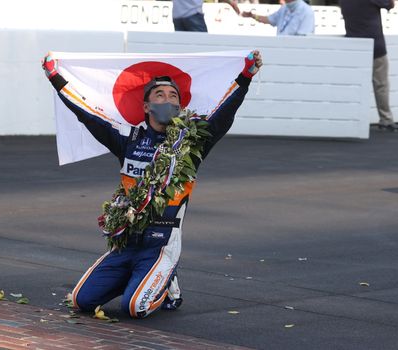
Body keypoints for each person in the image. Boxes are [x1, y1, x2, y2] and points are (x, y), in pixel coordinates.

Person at [42, 51, 263, 318]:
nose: (168, 100)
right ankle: (141, 278)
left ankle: (168, 285)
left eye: (173, 97)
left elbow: (224, 113)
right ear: (146, 106)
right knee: (81, 301)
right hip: (126, 242)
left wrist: (246, 76)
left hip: (162, 243)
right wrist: (55, 78)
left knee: (136, 308)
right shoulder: (128, 138)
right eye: (160, 95)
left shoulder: (192, 143)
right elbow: (88, 114)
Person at [339, 0, 398, 131]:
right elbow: (390, 4)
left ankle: (350, 119)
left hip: (354, 46)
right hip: (375, 45)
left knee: (354, 85)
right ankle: (386, 119)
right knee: (381, 85)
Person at [232, 0, 315, 36]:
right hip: (281, 47)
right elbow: (270, 20)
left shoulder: (306, 11)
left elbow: (304, 38)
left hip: (295, 52)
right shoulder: (285, 8)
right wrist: (252, 16)